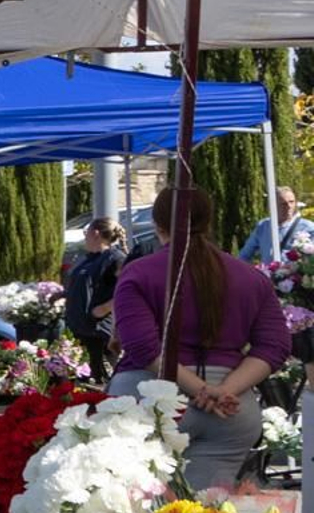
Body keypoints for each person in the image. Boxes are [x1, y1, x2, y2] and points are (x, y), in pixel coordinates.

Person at [109, 186, 289, 491]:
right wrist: (222, 392)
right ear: (209, 222)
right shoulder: (251, 278)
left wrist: (202, 391)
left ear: (157, 223)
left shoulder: (139, 273)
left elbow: (143, 347)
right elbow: (275, 347)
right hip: (232, 408)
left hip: (150, 401)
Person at [64, 218, 127, 383]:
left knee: (104, 383)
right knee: (84, 385)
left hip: (100, 333)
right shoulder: (89, 259)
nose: (85, 237)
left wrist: (103, 309)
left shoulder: (115, 258)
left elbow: (128, 291)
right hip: (80, 332)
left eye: (86, 233)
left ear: (96, 233)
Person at [238, 186, 314, 263]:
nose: (289, 206)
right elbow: (244, 255)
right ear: (273, 205)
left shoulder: (308, 227)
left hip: (295, 274)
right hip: (268, 274)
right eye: (283, 203)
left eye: (291, 202)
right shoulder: (263, 226)